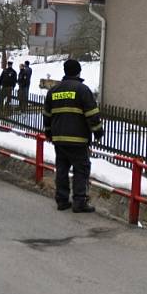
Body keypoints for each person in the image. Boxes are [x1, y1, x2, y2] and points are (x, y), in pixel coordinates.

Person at [43, 59, 104, 213]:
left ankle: (62, 201)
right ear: (78, 72)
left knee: (62, 169)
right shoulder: (82, 90)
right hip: (78, 139)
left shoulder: (53, 91)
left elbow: (47, 116)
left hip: (59, 139)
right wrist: (98, 131)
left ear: (65, 71)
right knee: (81, 170)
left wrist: (49, 133)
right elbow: (92, 114)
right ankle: (79, 202)